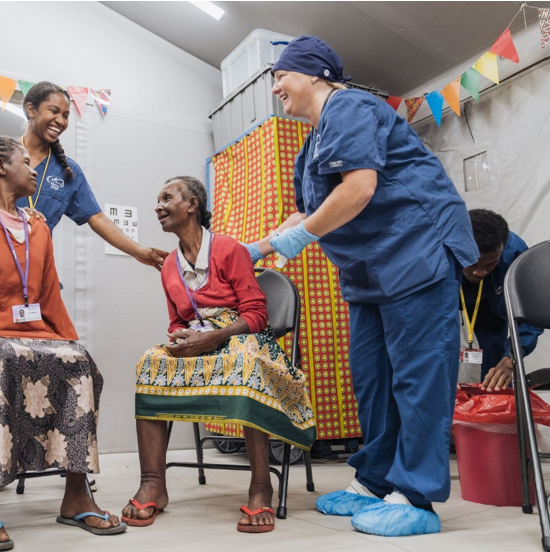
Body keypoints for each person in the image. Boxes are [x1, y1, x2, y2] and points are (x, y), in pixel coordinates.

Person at [244, 36, 479, 536]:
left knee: (417, 376)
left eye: (281, 76)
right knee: (372, 380)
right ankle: (374, 481)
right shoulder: (309, 146)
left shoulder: (349, 106)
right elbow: (307, 214)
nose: (275, 88)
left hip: (415, 251)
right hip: (369, 272)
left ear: (316, 74)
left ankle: (416, 495)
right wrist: (257, 249)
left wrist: (298, 239)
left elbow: (359, 187)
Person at [0, 136, 126, 550]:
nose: (34, 171)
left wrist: (68, 344)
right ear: (0, 166)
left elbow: (49, 296)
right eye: (25, 163)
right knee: (2, 357)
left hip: (32, 334)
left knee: (78, 360)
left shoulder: (37, 226)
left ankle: (77, 495)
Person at [122, 176, 315, 533]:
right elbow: (177, 321)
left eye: (167, 197)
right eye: (158, 199)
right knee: (151, 360)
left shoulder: (229, 249)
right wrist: (183, 339)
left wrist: (213, 337)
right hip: (198, 339)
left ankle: (261, 486)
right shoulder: (168, 266)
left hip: (241, 334)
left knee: (244, 361)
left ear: (192, 204)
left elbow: (257, 315)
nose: (158, 206)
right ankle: (153, 483)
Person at [0, 81, 167, 269]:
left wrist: (136, 250)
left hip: (36, 267)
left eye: (65, 115)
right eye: (54, 111)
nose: (61, 121)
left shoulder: (67, 170)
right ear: (31, 109)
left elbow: (98, 218)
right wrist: (17, 215)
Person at [460, 209, 544, 391]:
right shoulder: (440, 251)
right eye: (472, 262)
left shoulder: (516, 255)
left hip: (491, 304)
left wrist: (510, 359)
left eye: (490, 263)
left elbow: (532, 316)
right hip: (451, 295)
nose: (479, 272)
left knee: (498, 365)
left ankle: (498, 404)